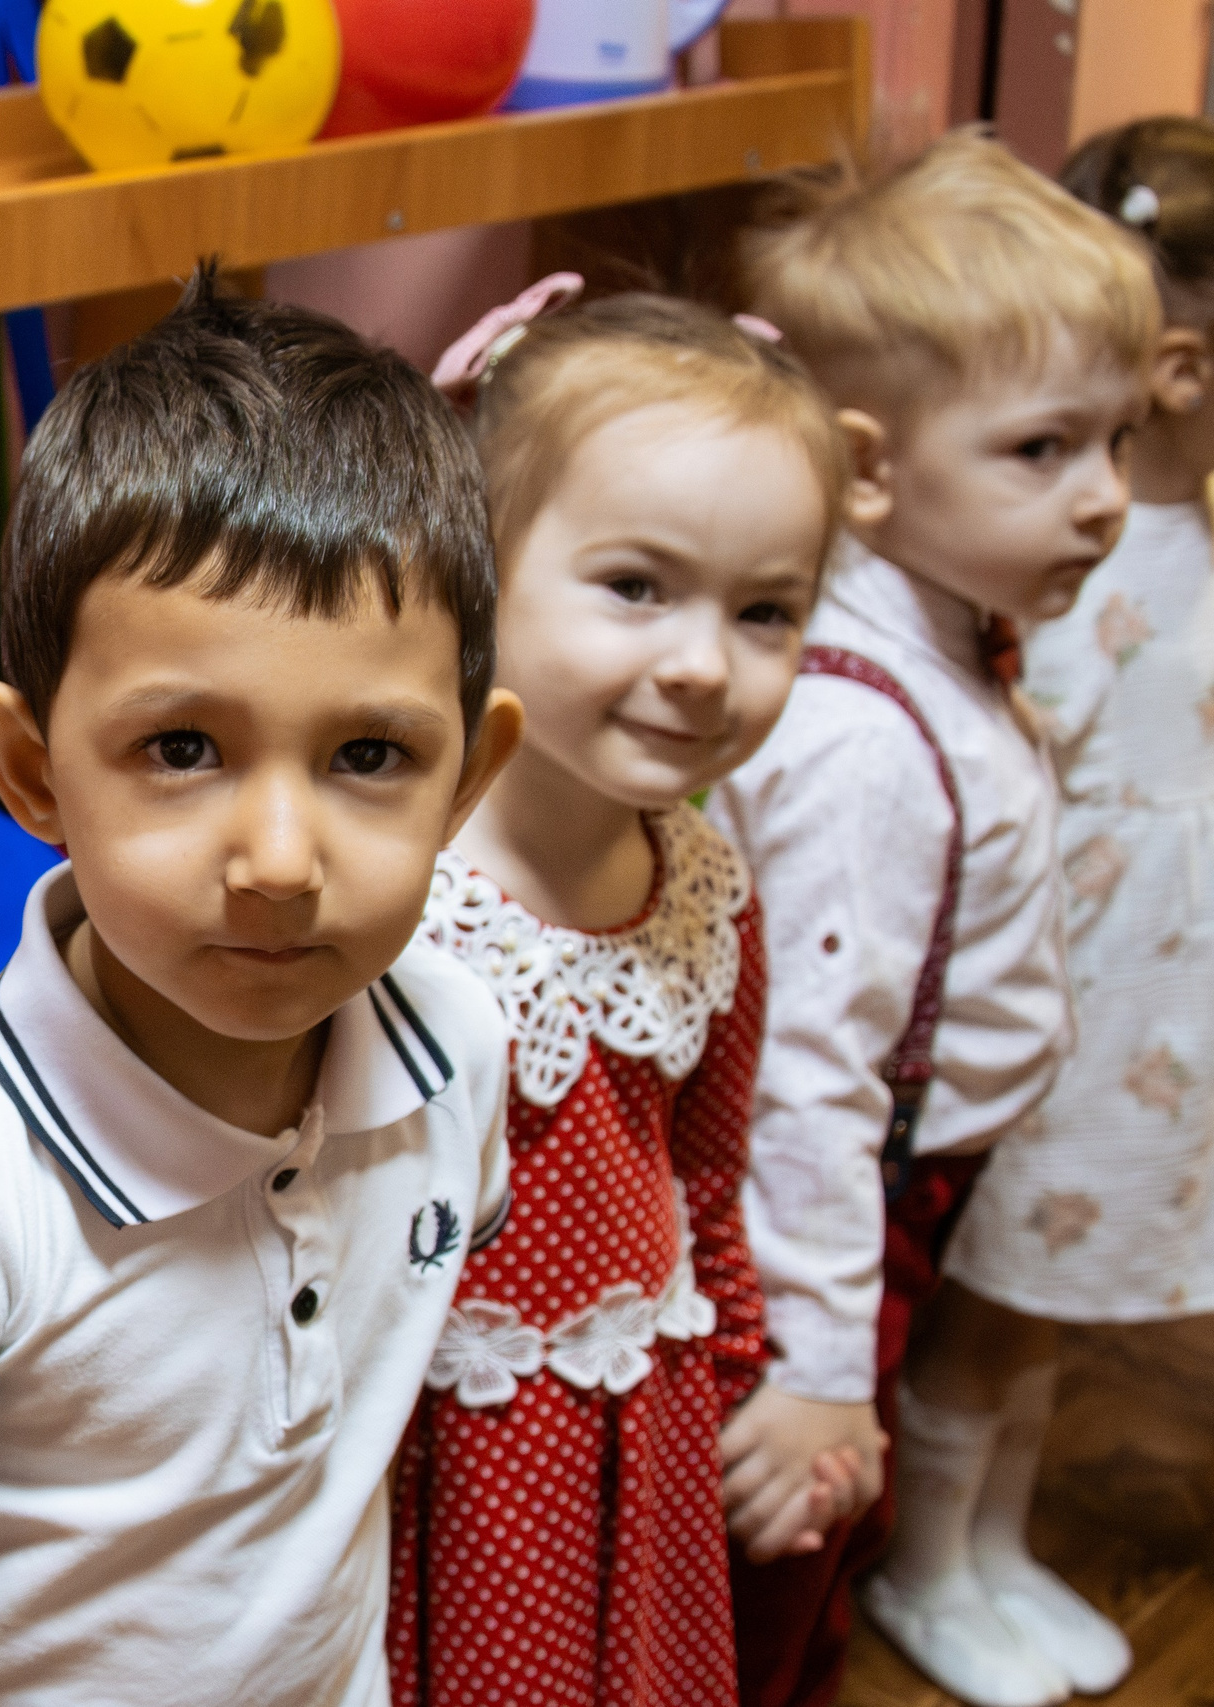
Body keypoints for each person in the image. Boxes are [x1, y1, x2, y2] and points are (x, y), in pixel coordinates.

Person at [0, 268, 523, 1706]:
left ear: (469, 777)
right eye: (183, 749)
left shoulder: (459, 1048)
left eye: (370, 756)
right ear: (34, 770)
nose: (283, 861)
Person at [708, 130, 1161, 1707]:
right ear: (873, 468)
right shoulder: (859, 745)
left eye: (1117, 438)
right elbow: (807, 1082)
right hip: (850, 1204)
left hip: (917, 1175)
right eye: (1043, 449)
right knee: (800, 1526)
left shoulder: (960, 629)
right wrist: (824, 1375)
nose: (1106, 496)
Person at [393, 287, 854, 1707]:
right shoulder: (393, 895)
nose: (706, 662)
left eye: (766, 608)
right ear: (475, 567)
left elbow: (702, 1179)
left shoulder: (708, 883)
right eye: (637, 586)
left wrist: (741, 1378)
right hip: (433, 1456)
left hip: (635, 1449)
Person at [912, 115, 1214, 1704]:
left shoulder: (1180, 526)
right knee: (997, 1306)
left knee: (1049, 1323)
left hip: (1162, 1002)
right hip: (1069, 1007)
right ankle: (928, 1561)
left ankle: (993, 1545)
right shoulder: (1065, 556)